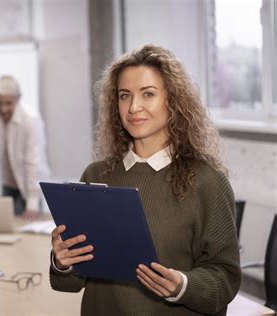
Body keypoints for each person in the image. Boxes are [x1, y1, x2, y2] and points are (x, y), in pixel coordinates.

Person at [49, 45, 241, 315]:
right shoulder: (95, 175)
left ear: (173, 101)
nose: (133, 107)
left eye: (147, 94)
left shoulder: (208, 182)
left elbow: (226, 278)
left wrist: (183, 286)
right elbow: (69, 283)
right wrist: (63, 262)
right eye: (124, 96)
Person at [0, 75, 50, 219]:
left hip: (30, 185)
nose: (3, 109)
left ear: (18, 98)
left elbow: (32, 162)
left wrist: (32, 204)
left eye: (8, 103)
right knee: (8, 225)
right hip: (8, 184)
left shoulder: (31, 119)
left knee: (30, 226)